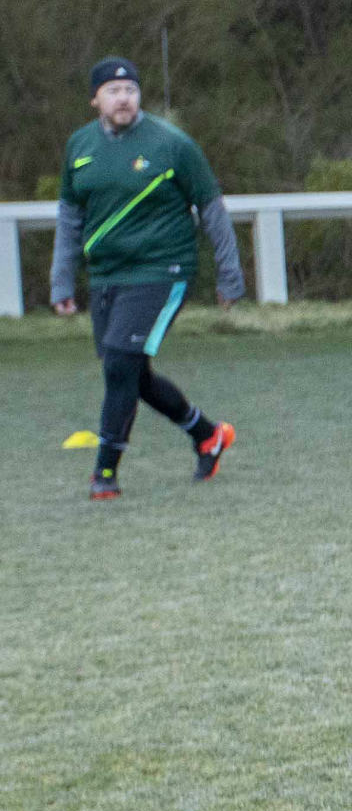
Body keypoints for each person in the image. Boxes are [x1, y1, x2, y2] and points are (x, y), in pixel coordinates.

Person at [49, 56, 243, 500]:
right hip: (106, 276)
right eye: (113, 91)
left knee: (120, 363)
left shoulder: (171, 144)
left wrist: (230, 276)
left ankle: (104, 475)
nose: (124, 98)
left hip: (163, 270)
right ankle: (207, 434)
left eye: (130, 90)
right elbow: (69, 219)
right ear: (95, 99)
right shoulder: (79, 147)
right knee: (130, 373)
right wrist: (62, 282)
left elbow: (212, 209)